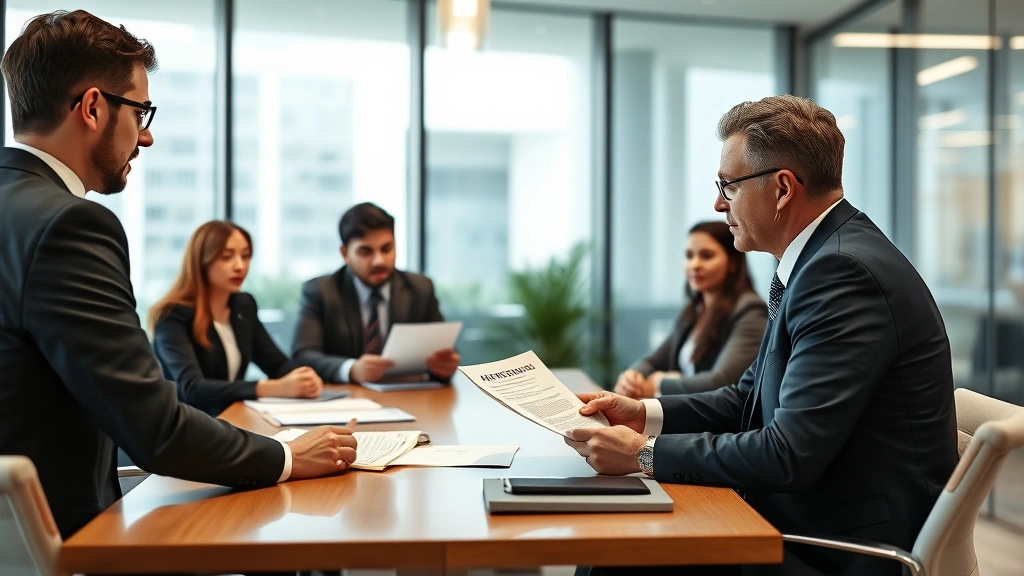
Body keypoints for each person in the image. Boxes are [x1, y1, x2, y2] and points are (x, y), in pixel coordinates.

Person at [0, 10, 356, 540]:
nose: (146, 139)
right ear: (93, 107)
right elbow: (154, 428)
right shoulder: (69, 225)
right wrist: (285, 455)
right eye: (141, 113)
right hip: (65, 542)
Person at [566, 96, 958, 576]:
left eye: (727, 185)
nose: (717, 203)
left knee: (615, 555)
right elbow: (746, 397)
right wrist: (643, 415)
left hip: (840, 551)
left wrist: (643, 456)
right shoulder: (821, 260)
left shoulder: (840, 272)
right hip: (812, 520)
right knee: (619, 542)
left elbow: (788, 454)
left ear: (782, 189)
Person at [151, 221, 324, 416]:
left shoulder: (243, 305)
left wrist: (304, 378)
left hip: (228, 420)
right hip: (183, 426)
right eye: (227, 257)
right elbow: (192, 389)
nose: (240, 266)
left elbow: (277, 364)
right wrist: (273, 387)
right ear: (201, 261)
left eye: (246, 256)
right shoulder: (172, 315)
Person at [292, 202, 460, 384]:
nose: (379, 260)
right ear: (345, 253)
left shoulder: (420, 289)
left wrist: (446, 366)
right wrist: (351, 369)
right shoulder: (321, 292)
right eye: (366, 251)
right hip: (348, 400)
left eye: (387, 249)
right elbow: (303, 355)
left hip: (409, 396)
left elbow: (443, 349)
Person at [615, 221, 766, 398]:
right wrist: (632, 376)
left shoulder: (751, 311)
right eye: (689, 256)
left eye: (706, 256)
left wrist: (660, 385)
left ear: (732, 263)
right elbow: (654, 360)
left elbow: (721, 381)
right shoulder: (694, 310)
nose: (695, 265)